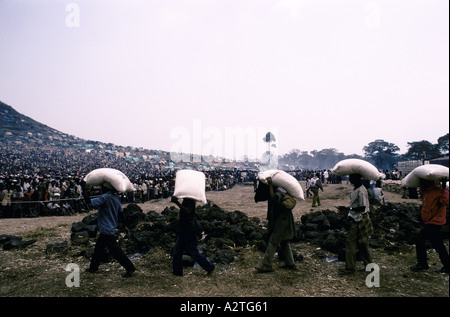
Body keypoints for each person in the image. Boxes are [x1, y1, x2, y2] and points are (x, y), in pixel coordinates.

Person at [86, 185, 136, 277]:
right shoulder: (115, 198)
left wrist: (85, 192)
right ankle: (93, 267)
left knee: (115, 251)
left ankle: (130, 267)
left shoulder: (105, 197)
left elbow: (89, 203)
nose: (100, 189)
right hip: (110, 227)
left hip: (105, 228)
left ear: (106, 188)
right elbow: (121, 213)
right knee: (98, 248)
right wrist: (124, 226)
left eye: (102, 187)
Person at [255, 177, 297, 273]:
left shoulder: (280, 190)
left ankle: (266, 265)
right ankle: (290, 263)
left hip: (282, 219)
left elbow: (274, 198)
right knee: (284, 241)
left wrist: (270, 185)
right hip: (282, 218)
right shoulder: (279, 188)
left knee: (273, 241)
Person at [410, 179, 449, 274]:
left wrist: (445, 189)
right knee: (438, 244)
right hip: (429, 221)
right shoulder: (426, 192)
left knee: (419, 239)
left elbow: (446, 201)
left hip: (435, 221)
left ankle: (422, 264)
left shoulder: (439, 191)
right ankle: (447, 267)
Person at [171, 196, 215, 276]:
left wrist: (176, 202)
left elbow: (188, 211)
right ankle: (177, 272)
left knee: (192, 252)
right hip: (185, 229)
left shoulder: (189, 200)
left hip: (188, 230)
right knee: (178, 250)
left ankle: (210, 267)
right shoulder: (188, 199)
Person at [339, 173, 373, 275]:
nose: (349, 179)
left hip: (359, 219)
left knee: (350, 243)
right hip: (358, 218)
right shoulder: (358, 188)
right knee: (363, 244)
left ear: (355, 179)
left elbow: (362, 207)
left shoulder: (361, 190)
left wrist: (349, 209)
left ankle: (350, 268)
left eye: (351, 178)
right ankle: (369, 266)